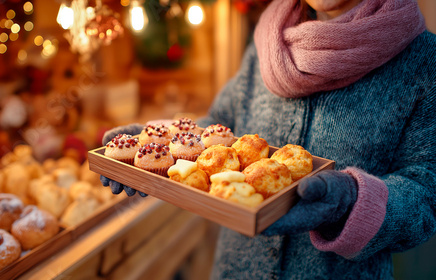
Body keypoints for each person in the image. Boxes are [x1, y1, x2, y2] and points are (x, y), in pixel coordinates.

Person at [100, 0, 436, 278]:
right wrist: (158, 144)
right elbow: (221, 128)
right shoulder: (270, 40)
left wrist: (350, 203)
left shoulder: (423, 61)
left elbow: (427, 194)